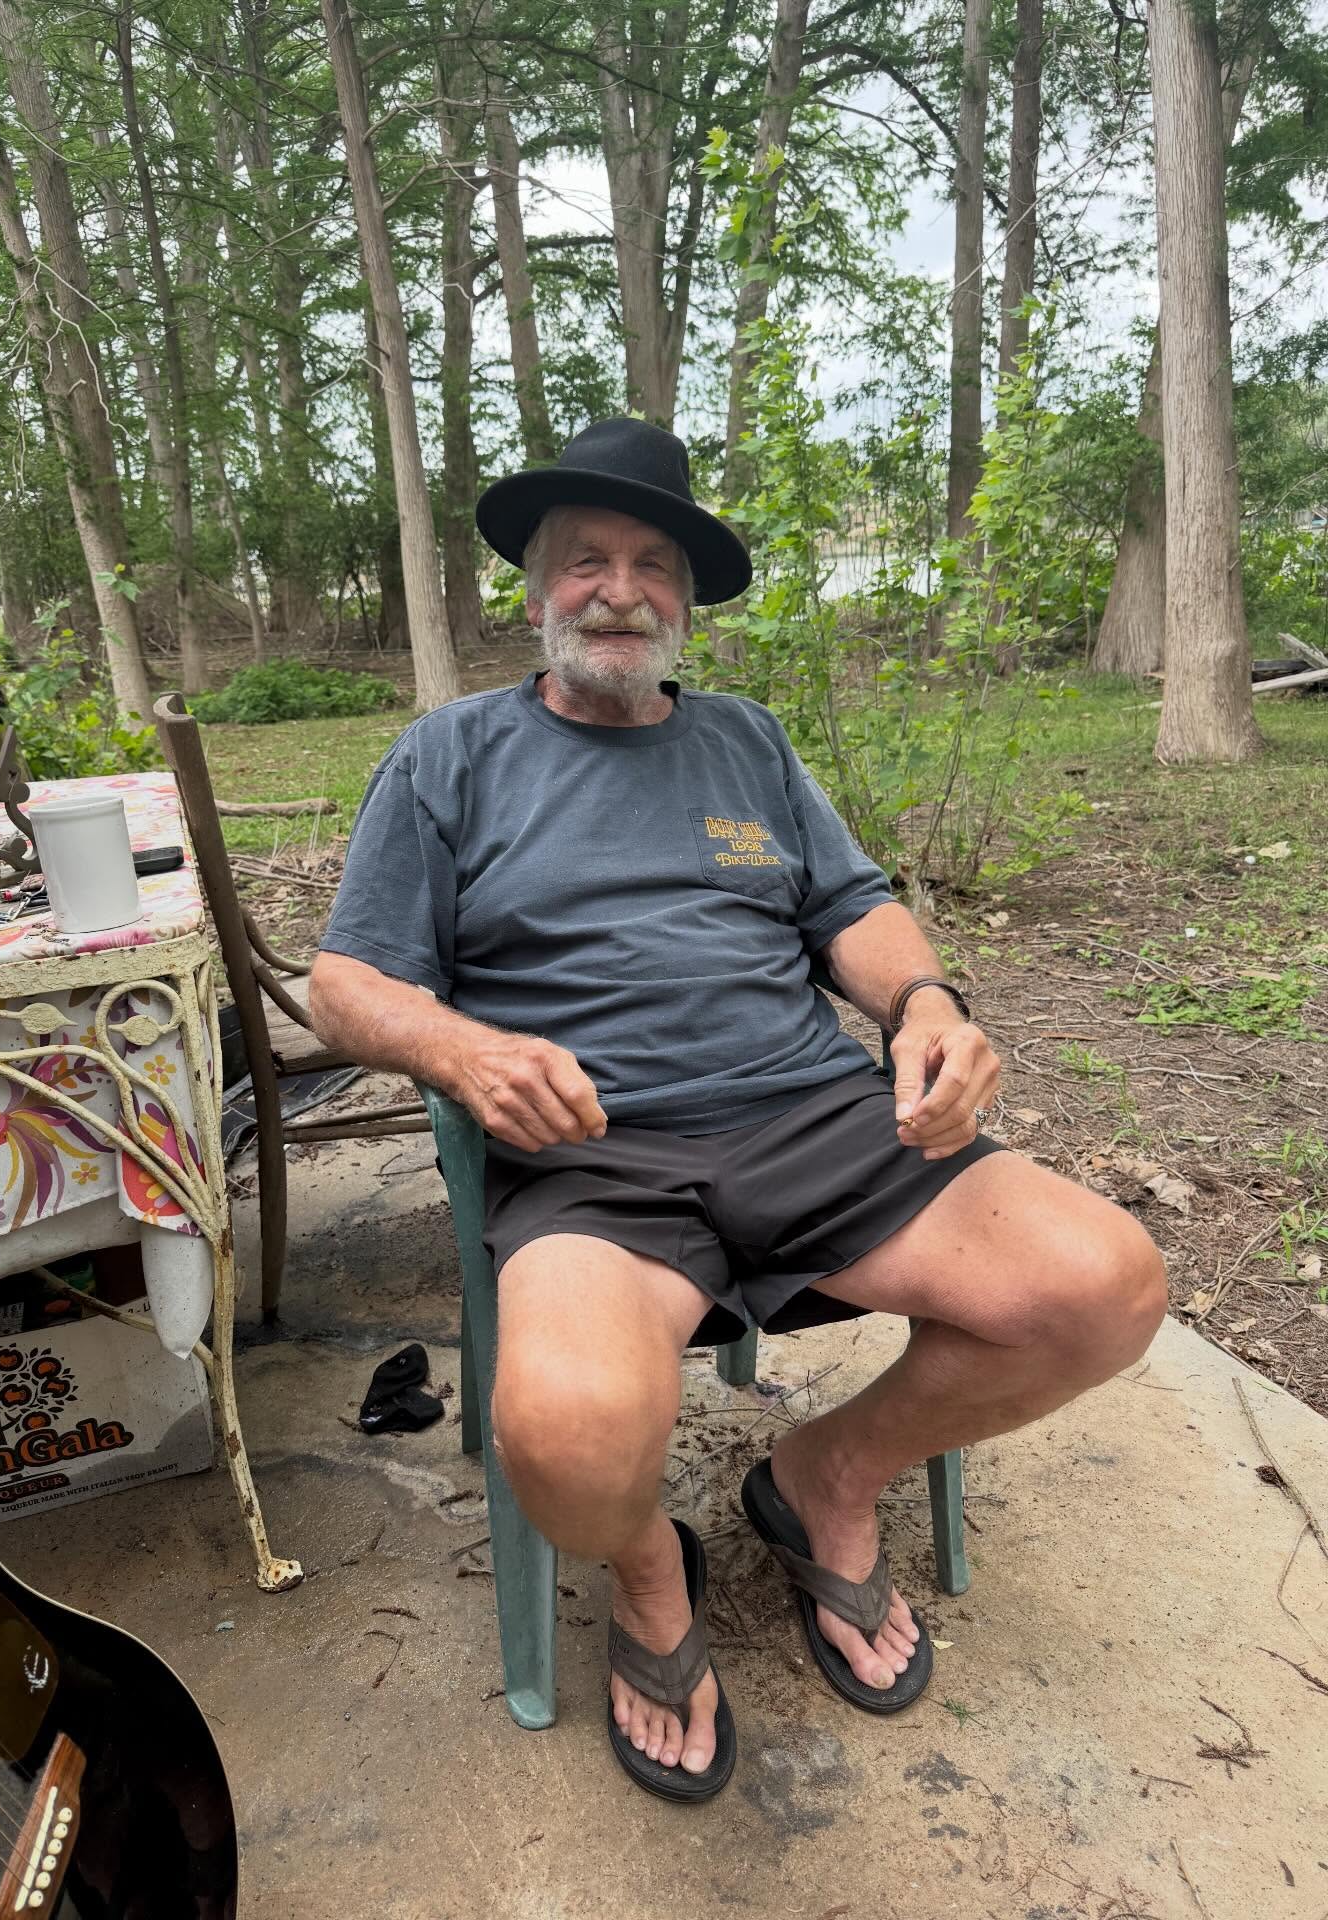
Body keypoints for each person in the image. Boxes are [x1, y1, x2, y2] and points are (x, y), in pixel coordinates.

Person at [310, 417, 1167, 1803]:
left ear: (685, 604)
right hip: (595, 1151)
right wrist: (462, 1051)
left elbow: (852, 907)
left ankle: (824, 1478)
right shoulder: (449, 756)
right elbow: (342, 980)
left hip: (815, 1116)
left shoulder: (747, 744)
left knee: (1108, 1286)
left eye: (655, 565)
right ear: (537, 592)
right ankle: (652, 1572)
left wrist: (926, 1008)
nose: (621, 589)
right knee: (574, 1433)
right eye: (586, 560)